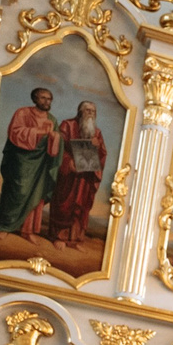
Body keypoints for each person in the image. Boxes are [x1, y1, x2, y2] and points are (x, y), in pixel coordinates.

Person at [0, 87, 58, 238]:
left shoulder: (52, 120)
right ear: (35, 99)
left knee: (36, 194)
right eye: (43, 98)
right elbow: (15, 133)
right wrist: (39, 132)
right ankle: (4, 225)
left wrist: (55, 137)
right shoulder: (23, 113)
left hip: (41, 164)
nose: (46, 101)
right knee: (16, 191)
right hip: (21, 160)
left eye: (49, 99)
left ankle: (27, 231)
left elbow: (56, 144)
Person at [44, 99, 106, 249]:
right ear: (80, 112)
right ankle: (59, 237)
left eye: (93, 111)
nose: (91, 113)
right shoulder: (68, 125)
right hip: (68, 176)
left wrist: (97, 148)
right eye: (88, 110)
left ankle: (75, 239)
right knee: (64, 203)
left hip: (85, 178)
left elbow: (103, 154)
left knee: (81, 207)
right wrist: (68, 162)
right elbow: (59, 147)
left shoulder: (97, 132)